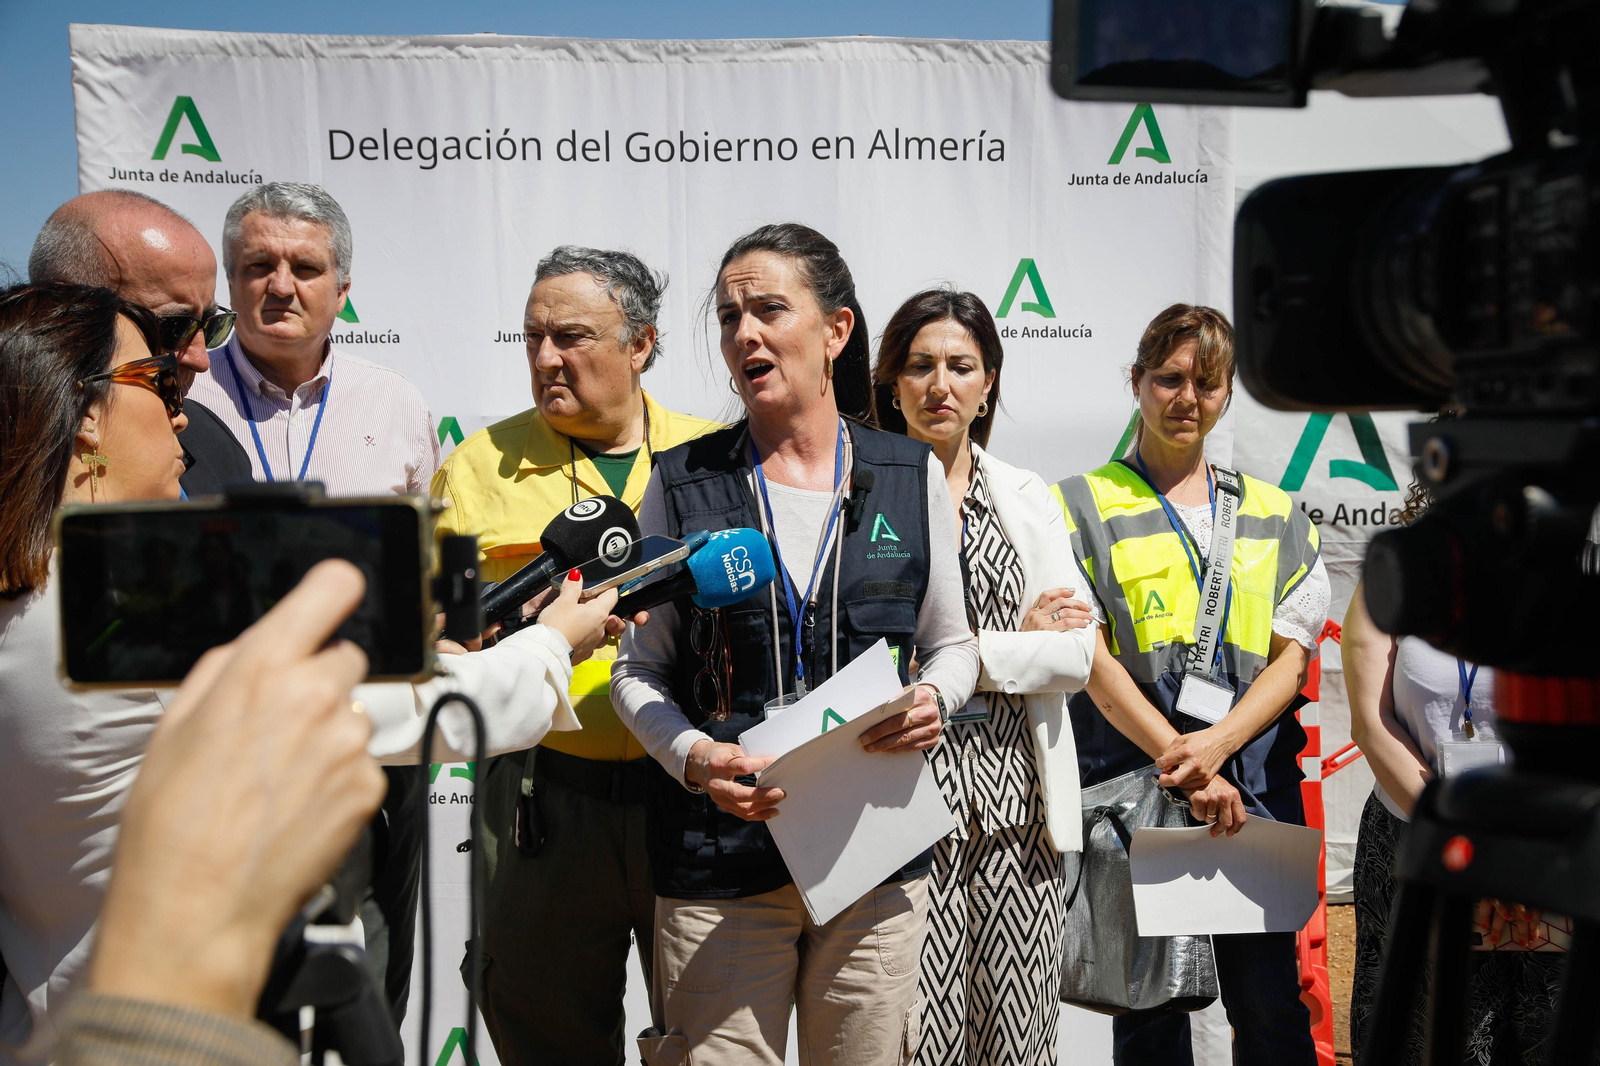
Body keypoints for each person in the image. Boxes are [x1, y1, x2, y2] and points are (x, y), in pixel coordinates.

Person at [0, 282, 624, 1064]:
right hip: (181, 1033)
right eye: (158, 384)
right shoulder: (133, 611)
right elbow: (425, 714)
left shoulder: (29, 597)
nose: (181, 411)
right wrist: (552, 643)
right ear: (86, 415)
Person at [611, 223, 980, 1066]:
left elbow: (953, 643)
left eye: (770, 309)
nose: (745, 334)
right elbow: (638, 671)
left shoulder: (907, 471)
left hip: (873, 857)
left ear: (836, 332)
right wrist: (697, 757)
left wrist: (934, 698)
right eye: (731, 317)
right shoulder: (681, 482)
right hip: (720, 862)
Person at [431, 246, 716, 1066]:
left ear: (640, 345)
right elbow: (438, 636)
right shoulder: (477, 467)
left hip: (689, 801)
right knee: (545, 1035)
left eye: (571, 337)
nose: (546, 358)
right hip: (541, 805)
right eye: (532, 338)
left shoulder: (712, 455)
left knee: (708, 1038)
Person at [187, 181, 438, 1023]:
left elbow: (425, 567)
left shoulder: (395, 404)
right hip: (217, 749)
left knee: (372, 986)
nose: (281, 286)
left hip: (370, 745)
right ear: (229, 280)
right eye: (259, 265)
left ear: (344, 289)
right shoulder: (180, 401)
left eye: (305, 266)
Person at [1055, 303, 1329, 1066]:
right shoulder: (1075, 506)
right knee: (1148, 1016)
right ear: (1136, 382)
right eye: (1170, 378)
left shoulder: (1276, 515)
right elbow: (1091, 660)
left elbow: (1293, 660)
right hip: (1137, 797)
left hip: (1252, 797)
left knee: (1272, 1007)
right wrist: (1184, 757)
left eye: (1207, 383)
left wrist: (1216, 746)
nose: (1188, 398)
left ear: (1228, 392)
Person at [871, 288, 1096, 1066]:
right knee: (913, 1040)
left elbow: (1074, 655)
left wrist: (960, 656)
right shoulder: (857, 493)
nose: (941, 385)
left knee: (1021, 1044)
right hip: (903, 808)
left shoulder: (1027, 495)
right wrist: (1009, 646)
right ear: (890, 383)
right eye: (921, 366)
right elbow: (865, 665)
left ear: (989, 382)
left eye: (961, 366)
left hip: (1018, 810)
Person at [52, 559, 385, 1066]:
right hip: (180, 1019)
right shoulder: (131, 625)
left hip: (49, 1016)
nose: (185, 471)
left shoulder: (37, 608)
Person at [1344, 484, 1563, 1065]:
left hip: (1545, 849)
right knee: (1427, 1043)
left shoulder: (1568, 576)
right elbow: (1372, 722)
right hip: (1414, 841)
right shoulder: (1393, 576)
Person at [28, 189, 252, 496]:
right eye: (174, 327)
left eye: (212, 325)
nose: (201, 359)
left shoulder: (211, 440)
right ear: (64, 317)